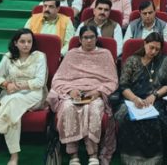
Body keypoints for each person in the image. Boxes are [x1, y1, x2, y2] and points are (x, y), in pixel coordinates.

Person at [0, 29, 48, 165]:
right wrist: (6, 84)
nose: (26, 45)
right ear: (15, 43)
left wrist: (19, 86)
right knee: (14, 112)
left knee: (11, 101)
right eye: (22, 41)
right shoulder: (8, 57)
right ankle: (14, 157)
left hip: (34, 94)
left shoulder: (39, 56)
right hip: (11, 94)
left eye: (29, 41)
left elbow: (39, 82)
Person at [47, 25, 118, 165]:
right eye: (86, 37)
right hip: (73, 92)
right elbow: (58, 79)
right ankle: (73, 154)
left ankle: (93, 154)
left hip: (95, 93)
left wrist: (98, 92)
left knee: (93, 109)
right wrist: (69, 90)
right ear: (80, 39)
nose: (89, 40)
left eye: (92, 37)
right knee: (68, 108)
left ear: (97, 38)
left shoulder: (105, 54)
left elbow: (113, 80)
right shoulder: (72, 54)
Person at [116, 32, 167, 165]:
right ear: (145, 44)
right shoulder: (132, 60)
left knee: (155, 120)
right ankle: (131, 160)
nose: (153, 51)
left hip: (156, 100)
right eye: (151, 47)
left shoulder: (166, 62)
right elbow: (123, 86)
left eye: (157, 49)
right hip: (132, 100)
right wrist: (135, 99)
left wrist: (155, 95)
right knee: (128, 118)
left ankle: (152, 161)